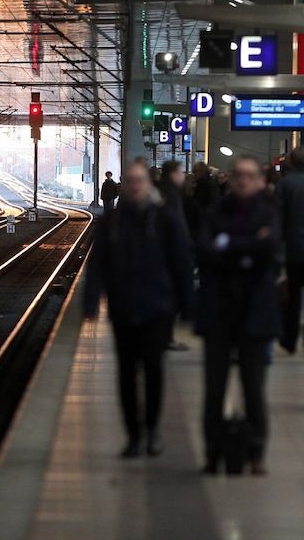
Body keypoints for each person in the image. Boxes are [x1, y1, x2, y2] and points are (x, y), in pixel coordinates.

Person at [84, 159, 193, 458]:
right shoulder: (112, 222)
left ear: (148, 183)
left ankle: (153, 428)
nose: (134, 186)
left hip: (158, 307)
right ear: (124, 184)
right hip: (123, 307)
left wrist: (188, 305)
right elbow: (97, 264)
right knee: (127, 373)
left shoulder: (164, 218)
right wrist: (91, 300)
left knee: (154, 369)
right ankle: (134, 434)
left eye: (139, 180)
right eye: (129, 181)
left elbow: (181, 262)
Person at [196, 156, 282, 475]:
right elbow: (205, 250)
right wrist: (248, 247)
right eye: (239, 175)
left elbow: (270, 247)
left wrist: (227, 244)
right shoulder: (215, 211)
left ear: (260, 181)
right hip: (219, 312)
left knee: (254, 388)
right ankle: (212, 452)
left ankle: (257, 452)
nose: (243, 180)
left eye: (250, 175)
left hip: (256, 315)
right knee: (214, 390)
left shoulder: (269, 213)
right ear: (231, 180)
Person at [276, 146, 304, 356]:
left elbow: (279, 216)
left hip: (293, 245)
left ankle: (290, 340)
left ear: (291, 162)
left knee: (293, 296)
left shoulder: (285, 183)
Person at [160, 160, 191, 352]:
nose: (183, 176)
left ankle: (164, 336)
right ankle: (166, 337)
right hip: (171, 256)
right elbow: (175, 227)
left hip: (167, 255)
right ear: (173, 174)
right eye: (181, 172)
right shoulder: (171, 195)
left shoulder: (165, 193)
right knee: (171, 299)